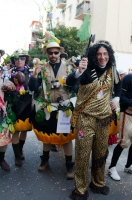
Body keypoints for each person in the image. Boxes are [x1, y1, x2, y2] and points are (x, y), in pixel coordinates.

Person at [66, 40, 121, 200]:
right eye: (99, 54)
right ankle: (80, 188)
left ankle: (98, 182)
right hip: (85, 120)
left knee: (100, 154)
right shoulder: (86, 70)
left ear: (109, 55)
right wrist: (78, 71)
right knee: (82, 155)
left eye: (105, 54)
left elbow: (118, 86)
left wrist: (116, 99)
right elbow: (70, 83)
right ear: (94, 56)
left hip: (104, 120)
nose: (102, 57)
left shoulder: (112, 70)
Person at [28, 41, 75, 180]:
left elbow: (76, 85)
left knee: (66, 137)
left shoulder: (70, 68)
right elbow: (32, 88)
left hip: (64, 107)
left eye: (56, 52)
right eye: (50, 53)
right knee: (47, 136)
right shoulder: (41, 68)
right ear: (47, 54)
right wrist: (35, 75)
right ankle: (45, 160)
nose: (53, 55)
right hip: (48, 107)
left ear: (60, 53)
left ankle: (69, 165)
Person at [3, 49, 32, 167]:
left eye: (22, 58)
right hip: (13, 106)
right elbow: (3, 89)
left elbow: (36, 87)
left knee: (24, 130)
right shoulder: (8, 73)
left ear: (26, 60)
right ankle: (17, 156)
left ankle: (20, 150)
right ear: (13, 60)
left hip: (26, 106)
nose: (19, 60)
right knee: (15, 131)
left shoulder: (31, 72)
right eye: (17, 58)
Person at [0, 48, 11, 172]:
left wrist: (9, 87)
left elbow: (10, 85)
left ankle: (1, 159)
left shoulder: (4, 73)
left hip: (1, 109)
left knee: (3, 137)